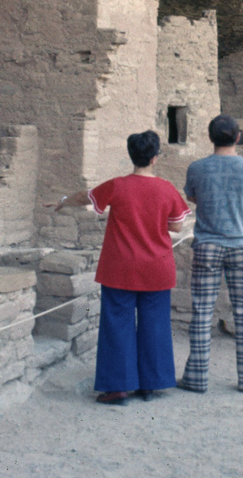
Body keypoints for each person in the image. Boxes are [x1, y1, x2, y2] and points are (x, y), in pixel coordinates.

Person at [51, 130, 190, 405]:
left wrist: (63, 202)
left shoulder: (118, 186)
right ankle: (151, 383)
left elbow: (86, 197)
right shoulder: (166, 188)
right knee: (155, 325)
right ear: (155, 158)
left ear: (132, 156)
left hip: (120, 266)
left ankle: (118, 387)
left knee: (117, 325)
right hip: (156, 267)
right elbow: (176, 225)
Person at [178, 114, 243, 394]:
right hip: (241, 245)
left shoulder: (197, 168)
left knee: (202, 312)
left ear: (210, 137)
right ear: (239, 137)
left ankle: (196, 377)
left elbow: (193, 198)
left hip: (207, 244)